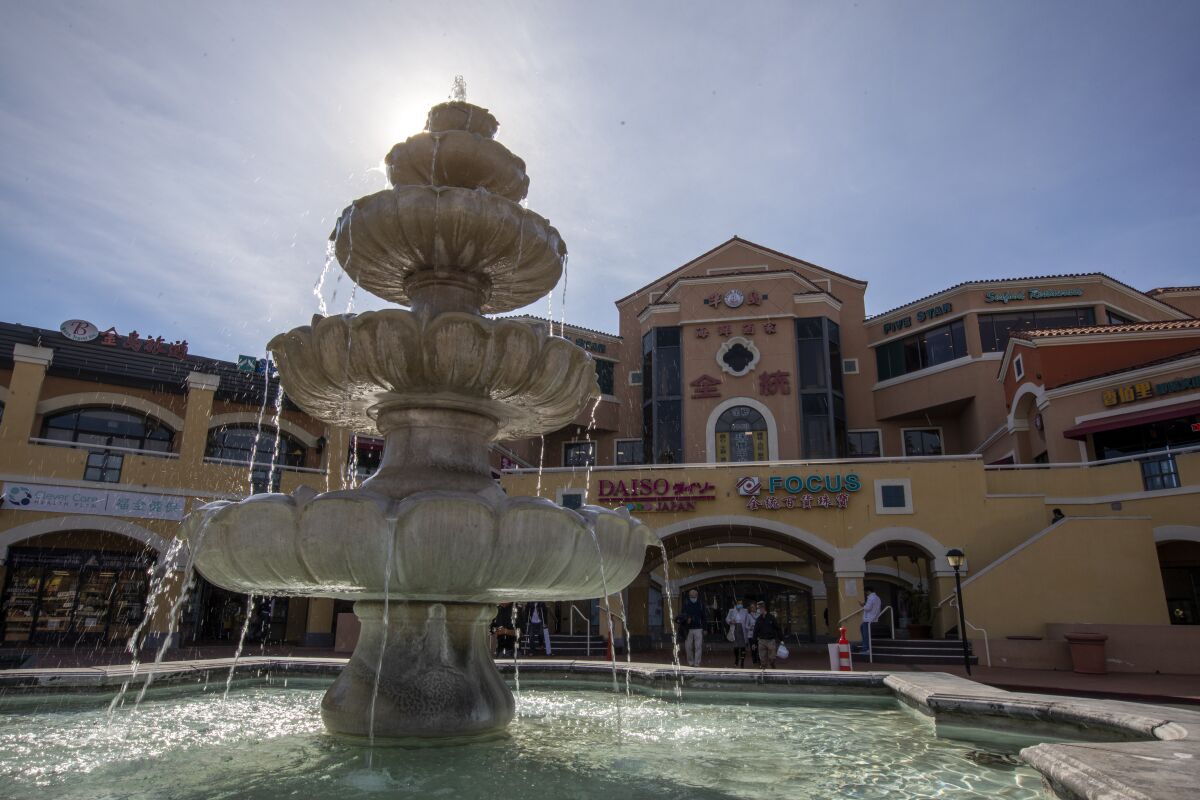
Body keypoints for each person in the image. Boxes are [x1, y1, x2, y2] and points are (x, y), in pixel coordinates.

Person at [752, 601, 782, 669]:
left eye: (759, 609)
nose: (758, 610)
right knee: (763, 660)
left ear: (763, 608)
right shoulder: (758, 619)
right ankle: (763, 674)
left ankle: (772, 667)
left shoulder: (771, 618)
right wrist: (754, 643)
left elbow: (777, 628)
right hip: (761, 641)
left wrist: (781, 639)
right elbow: (755, 631)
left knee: (772, 658)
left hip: (771, 641)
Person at [725, 598, 754, 668]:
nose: (740, 605)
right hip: (735, 628)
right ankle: (737, 659)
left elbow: (748, 619)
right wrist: (731, 621)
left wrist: (749, 626)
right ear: (736, 604)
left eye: (741, 603)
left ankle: (742, 662)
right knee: (736, 647)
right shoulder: (731, 611)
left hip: (743, 629)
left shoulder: (745, 611)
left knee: (743, 646)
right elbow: (727, 619)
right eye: (739, 603)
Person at [681, 588, 706, 667]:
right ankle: (690, 662)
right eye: (691, 595)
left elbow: (704, 617)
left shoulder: (700, 604)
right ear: (689, 595)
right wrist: (686, 620)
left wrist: (705, 628)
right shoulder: (686, 604)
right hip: (688, 629)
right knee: (688, 647)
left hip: (698, 628)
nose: (692, 596)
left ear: (697, 595)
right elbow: (682, 615)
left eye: (694, 594)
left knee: (698, 646)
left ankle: (697, 663)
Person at [857, 588, 882, 654]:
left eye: (866, 592)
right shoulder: (877, 598)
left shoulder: (870, 598)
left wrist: (863, 605)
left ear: (868, 591)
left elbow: (868, 608)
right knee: (862, 628)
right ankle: (866, 648)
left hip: (868, 619)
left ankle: (866, 649)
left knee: (866, 635)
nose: (866, 593)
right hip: (873, 618)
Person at [746, 600, 762, 665]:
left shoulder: (759, 615)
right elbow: (746, 625)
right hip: (751, 635)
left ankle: (759, 660)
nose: (753, 608)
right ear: (750, 608)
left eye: (754, 607)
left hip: (758, 635)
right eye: (751, 607)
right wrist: (751, 627)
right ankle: (754, 660)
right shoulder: (748, 615)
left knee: (759, 648)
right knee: (753, 648)